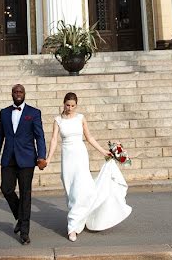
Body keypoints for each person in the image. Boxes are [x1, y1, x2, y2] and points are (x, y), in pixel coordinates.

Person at [45, 92, 132, 241]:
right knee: (72, 192)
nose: (70, 108)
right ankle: (78, 219)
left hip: (80, 156)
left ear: (76, 105)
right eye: (67, 105)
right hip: (67, 157)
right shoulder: (58, 120)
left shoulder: (80, 118)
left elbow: (89, 137)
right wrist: (48, 159)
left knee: (83, 189)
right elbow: (53, 140)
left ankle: (72, 227)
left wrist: (103, 151)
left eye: (73, 106)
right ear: (63, 103)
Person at [0, 83, 47, 245]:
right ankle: (20, 217)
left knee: (25, 194)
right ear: (11, 94)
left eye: (20, 91)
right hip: (8, 158)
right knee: (6, 189)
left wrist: (41, 156)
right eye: (15, 92)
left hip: (27, 159)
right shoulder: (4, 112)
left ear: (24, 94)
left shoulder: (34, 113)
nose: (18, 94)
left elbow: (40, 137)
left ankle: (24, 232)